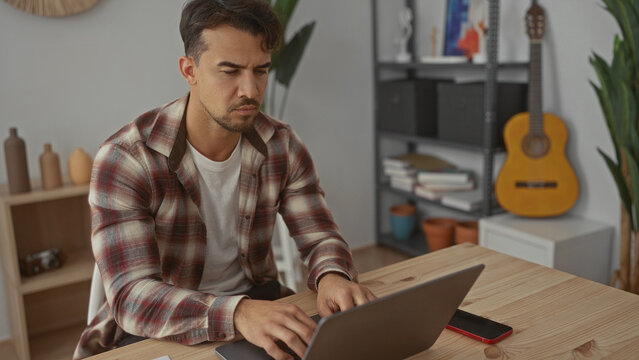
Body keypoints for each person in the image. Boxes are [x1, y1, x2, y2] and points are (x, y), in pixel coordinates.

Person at [73, 0, 375, 359]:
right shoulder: (127, 159)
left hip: (258, 306)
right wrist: (238, 312)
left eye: (260, 70)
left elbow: (320, 236)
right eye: (230, 71)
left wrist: (332, 276)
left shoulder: (282, 145)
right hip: (157, 326)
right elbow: (132, 297)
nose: (250, 89)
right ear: (190, 70)